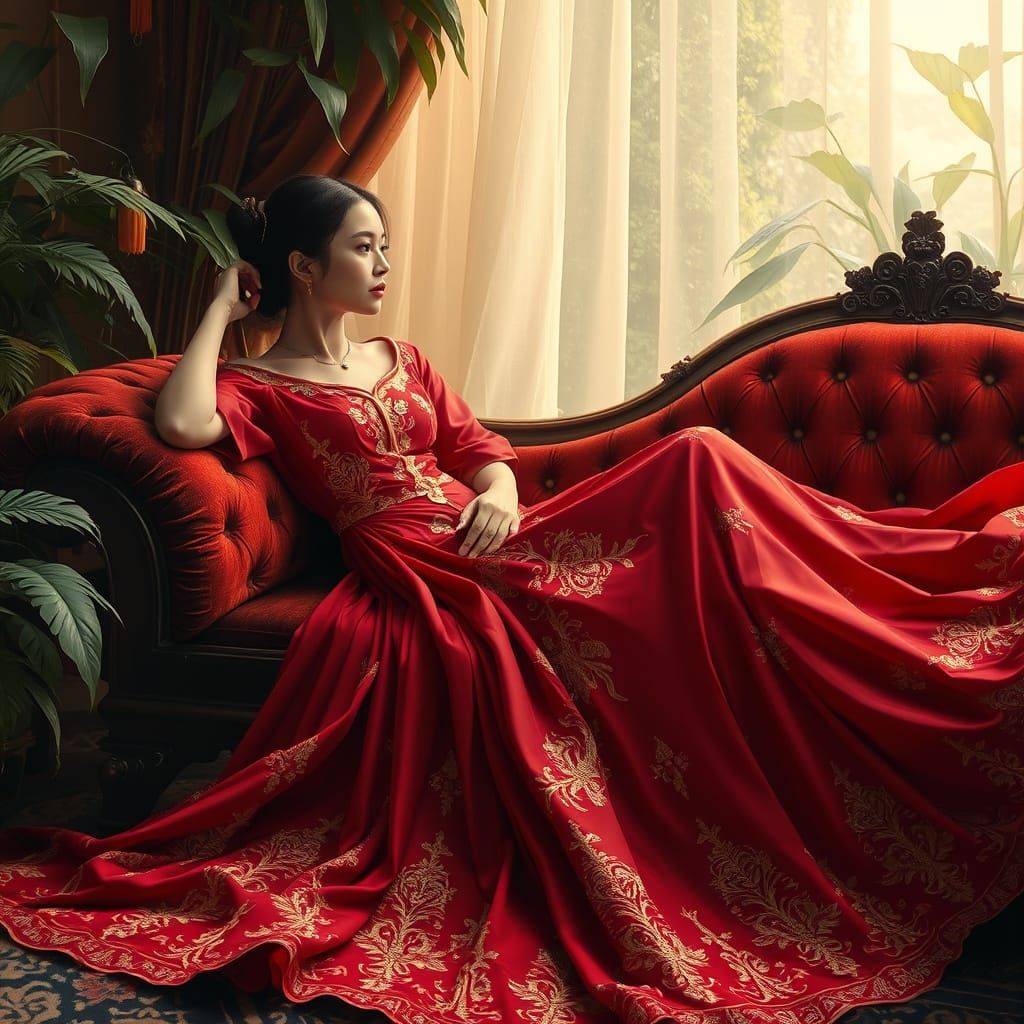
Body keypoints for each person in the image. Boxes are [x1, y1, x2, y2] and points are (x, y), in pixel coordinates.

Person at [1, 173, 1023, 1024]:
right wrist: (225, 307)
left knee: (700, 463)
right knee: (697, 463)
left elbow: (483, 454)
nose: (384, 262)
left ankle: (905, 571)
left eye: (385, 242)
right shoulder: (263, 387)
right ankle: (895, 579)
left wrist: (493, 491)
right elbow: (180, 425)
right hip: (419, 566)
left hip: (495, 532)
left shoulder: (403, 362)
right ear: (304, 267)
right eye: (363, 246)